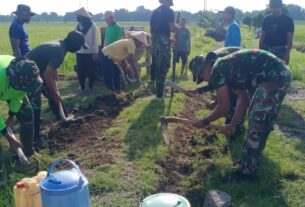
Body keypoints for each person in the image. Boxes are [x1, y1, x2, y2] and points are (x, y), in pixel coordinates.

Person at [188, 49, 291, 181]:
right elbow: (243, 99)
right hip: (275, 75)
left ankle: (247, 172)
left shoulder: (218, 70)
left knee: (258, 120)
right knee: (256, 116)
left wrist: (204, 121)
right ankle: (247, 161)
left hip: (275, 76)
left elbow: (224, 107)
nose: (204, 80)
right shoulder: (226, 69)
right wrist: (232, 124)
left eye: (201, 76)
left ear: (207, 66)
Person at [25, 31, 88, 144]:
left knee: (52, 95)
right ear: (74, 44)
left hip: (37, 71)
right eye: (79, 46)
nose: (79, 49)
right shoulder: (60, 51)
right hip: (27, 74)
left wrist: (55, 75)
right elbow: (47, 75)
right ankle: (35, 138)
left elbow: (50, 66)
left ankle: (63, 118)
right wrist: (55, 92)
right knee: (36, 105)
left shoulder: (60, 44)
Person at [0, 55, 43, 184]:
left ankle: (28, 151)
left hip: (10, 87)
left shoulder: (26, 77)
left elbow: (19, 95)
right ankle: (2, 173)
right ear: (13, 78)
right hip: (2, 83)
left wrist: (12, 115)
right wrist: (9, 137)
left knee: (27, 113)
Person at [150, 0, 177, 98]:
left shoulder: (154, 12)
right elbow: (172, 28)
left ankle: (159, 92)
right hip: (163, 42)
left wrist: (154, 43)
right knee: (164, 66)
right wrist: (177, 27)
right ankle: (160, 93)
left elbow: (153, 31)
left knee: (158, 65)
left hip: (156, 41)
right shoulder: (170, 12)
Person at [259, 0, 294, 64]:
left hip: (281, 50)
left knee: (280, 71)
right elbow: (262, 35)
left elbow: (290, 39)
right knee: (266, 70)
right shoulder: (266, 19)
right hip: (267, 49)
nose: (274, 10)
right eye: (272, 7)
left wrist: (287, 54)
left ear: (281, 7)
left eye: (276, 7)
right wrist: (260, 50)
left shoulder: (288, 20)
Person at [73, 7, 99, 92]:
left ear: (83, 16)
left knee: (91, 71)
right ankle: (82, 88)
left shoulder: (92, 25)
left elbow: (95, 40)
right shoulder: (77, 26)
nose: (77, 17)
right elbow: (75, 39)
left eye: (79, 16)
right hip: (79, 53)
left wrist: (95, 52)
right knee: (80, 72)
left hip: (90, 53)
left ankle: (91, 87)